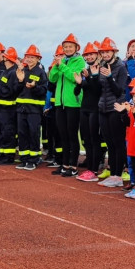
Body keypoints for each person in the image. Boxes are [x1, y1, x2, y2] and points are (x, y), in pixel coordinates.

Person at [48, 33, 85, 177]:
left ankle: (73, 166)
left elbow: (74, 78)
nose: (68, 49)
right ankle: (64, 164)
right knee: (63, 135)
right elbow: (52, 78)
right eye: (65, 47)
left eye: (70, 46)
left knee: (72, 135)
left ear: (76, 48)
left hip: (73, 103)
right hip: (60, 103)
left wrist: (62, 66)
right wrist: (56, 66)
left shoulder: (80, 61)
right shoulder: (62, 61)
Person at [96, 37, 129, 187]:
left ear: (114, 52)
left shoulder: (121, 68)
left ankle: (118, 176)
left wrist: (109, 77)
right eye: (103, 52)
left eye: (108, 51)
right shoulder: (102, 66)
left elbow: (119, 90)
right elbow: (99, 90)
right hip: (103, 108)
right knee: (109, 143)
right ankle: (113, 174)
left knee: (118, 143)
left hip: (116, 108)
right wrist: (93, 77)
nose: (105, 54)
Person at [14, 45, 48, 171]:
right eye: (28, 57)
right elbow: (16, 90)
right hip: (21, 109)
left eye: (32, 57)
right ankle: (24, 159)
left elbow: (43, 90)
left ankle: (33, 160)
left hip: (34, 110)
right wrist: (20, 81)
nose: (29, 59)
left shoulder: (41, 73)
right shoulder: (22, 71)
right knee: (22, 134)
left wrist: (34, 87)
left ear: (38, 59)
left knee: (33, 133)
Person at [76, 42, 104, 182]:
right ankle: (89, 168)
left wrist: (89, 78)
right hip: (84, 108)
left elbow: (97, 89)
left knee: (94, 139)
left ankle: (94, 170)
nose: (89, 57)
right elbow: (77, 91)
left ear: (97, 55)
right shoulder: (84, 71)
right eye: (86, 55)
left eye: (91, 54)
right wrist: (79, 83)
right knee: (86, 139)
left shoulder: (101, 70)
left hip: (95, 109)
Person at [0, 46, 20, 165]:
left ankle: (8, 157)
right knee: (0, 132)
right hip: (0, 108)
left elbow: (11, 91)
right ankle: (1, 155)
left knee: (7, 133)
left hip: (8, 109)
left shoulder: (13, 72)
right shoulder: (5, 72)